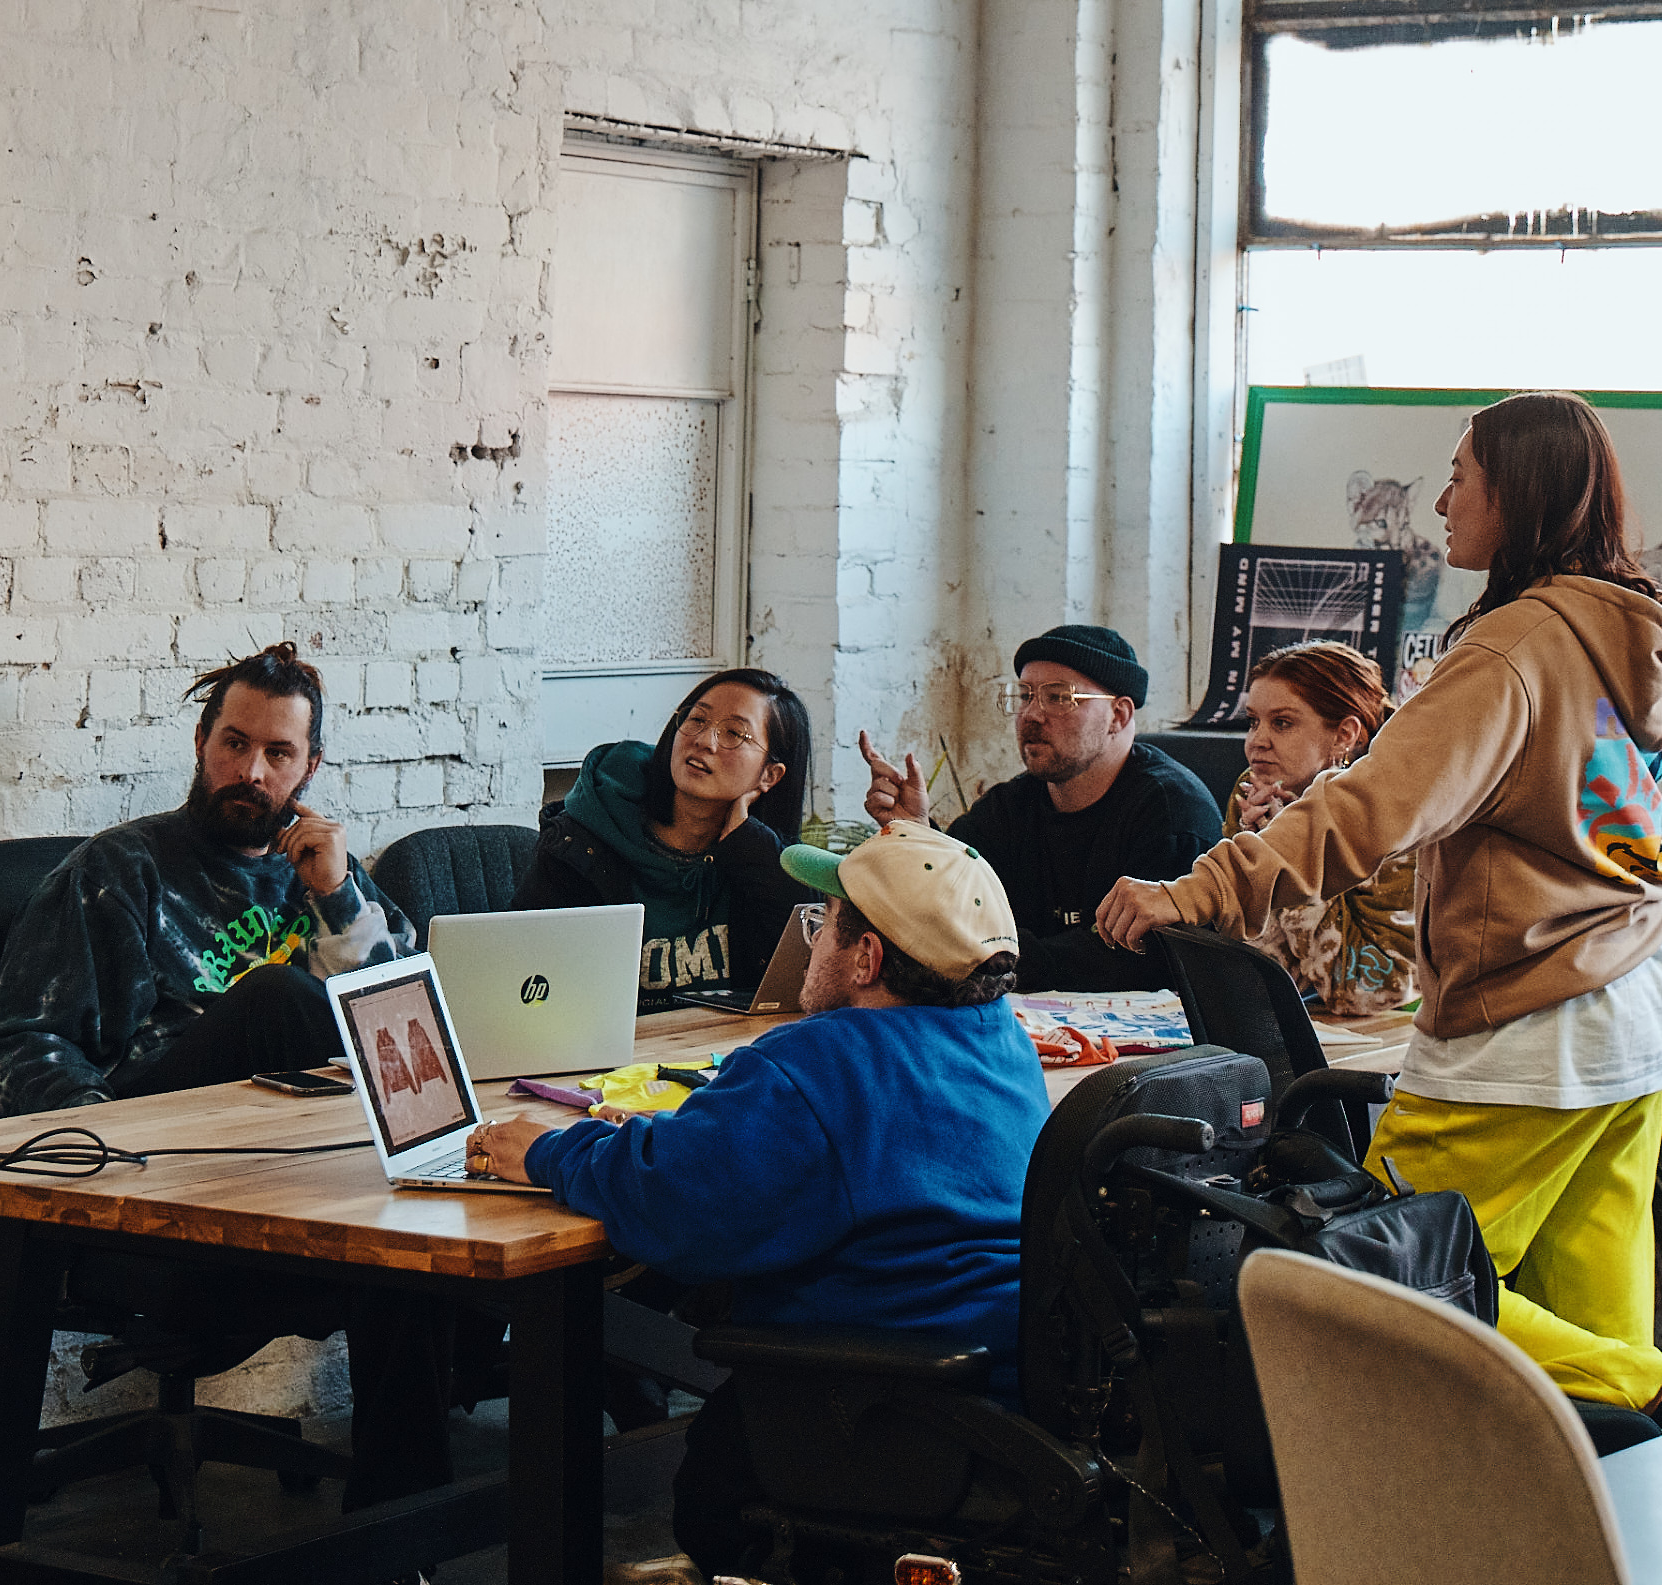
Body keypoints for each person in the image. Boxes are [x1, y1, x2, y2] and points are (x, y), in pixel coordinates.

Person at [1098, 393, 1662, 1426]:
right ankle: (1633, 1485)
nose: (1446, 496)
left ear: (1521, 494)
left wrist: (1194, 889)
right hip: (1634, 992)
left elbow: (1364, 807)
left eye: (1464, 474)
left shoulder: (1511, 649)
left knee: (1366, 1274)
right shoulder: (1623, 632)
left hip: (1531, 1013)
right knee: (1593, 1307)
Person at [460, 826, 1043, 1578]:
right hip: (1002, 1391)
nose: (812, 937)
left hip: (869, 1412)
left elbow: (672, 1206)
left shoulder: (817, 1062)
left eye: (825, 920)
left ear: (866, 958)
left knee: (712, 1491)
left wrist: (541, 1150)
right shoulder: (1001, 1039)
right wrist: (690, 1131)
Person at [0, 642, 416, 1116]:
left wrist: (336, 896)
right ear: (201, 741)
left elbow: (406, 1038)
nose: (251, 772)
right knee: (278, 995)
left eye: (278, 754)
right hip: (166, 1126)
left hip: (308, 1138)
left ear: (310, 766)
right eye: (235, 743)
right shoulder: (119, 870)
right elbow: (16, 1042)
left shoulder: (325, 869)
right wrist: (109, 1141)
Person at [857, 624, 1221, 989]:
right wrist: (917, 833)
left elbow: (1134, 964)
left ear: (1119, 716)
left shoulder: (1174, 817)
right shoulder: (1011, 806)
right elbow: (954, 896)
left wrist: (996, 956)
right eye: (1025, 696)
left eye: (1059, 697)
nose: (1031, 714)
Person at [514, 667, 813, 1004]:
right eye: (697, 720)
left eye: (733, 733)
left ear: (769, 775)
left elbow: (810, 985)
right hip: (616, 1054)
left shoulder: (768, 862)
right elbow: (523, 981)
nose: (704, 741)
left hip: (727, 1052)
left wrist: (750, 847)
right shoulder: (581, 844)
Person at [1229, 641, 1416, 1019]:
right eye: (1253, 721)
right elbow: (1253, 978)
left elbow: (1368, 991)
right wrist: (1259, 849)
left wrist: (1288, 857)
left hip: (1405, 1030)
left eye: (1282, 723)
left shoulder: (1395, 808)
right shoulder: (1257, 792)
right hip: (1318, 1025)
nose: (1257, 741)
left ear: (1345, 735)